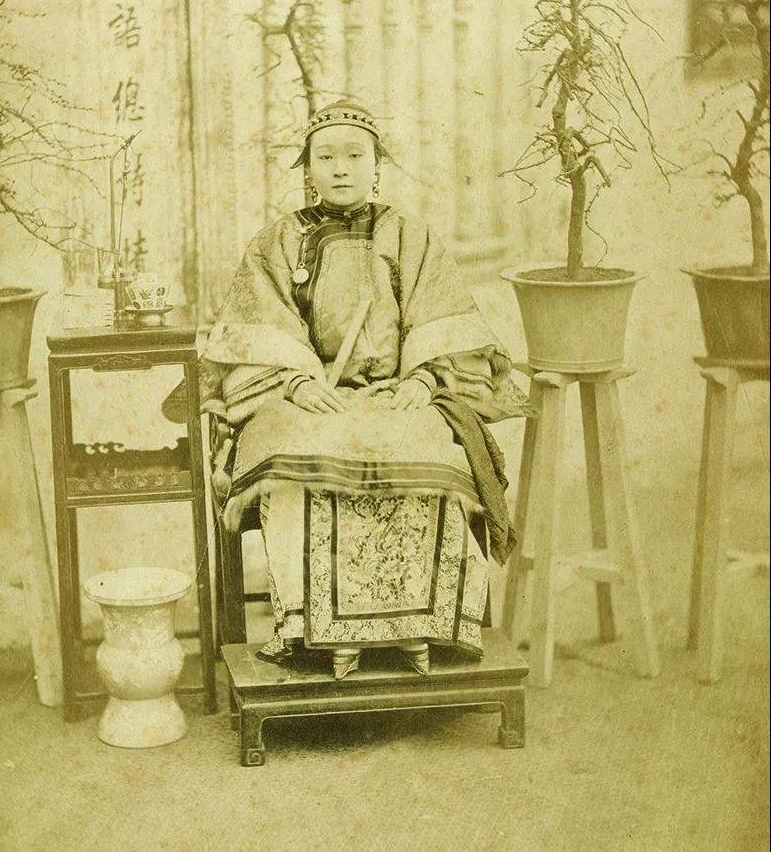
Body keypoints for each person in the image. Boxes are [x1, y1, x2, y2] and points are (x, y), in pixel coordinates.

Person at [164, 100, 531, 680]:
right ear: (307, 168)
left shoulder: (410, 235)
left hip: (394, 393)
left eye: (355, 156)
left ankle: (419, 629)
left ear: (376, 164)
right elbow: (257, 327)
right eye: (326, 157)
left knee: (426, 451)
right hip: (308, 396)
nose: (341, 168)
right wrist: (295, 381)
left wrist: (424, 379)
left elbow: (443, 318)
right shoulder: (277, 242)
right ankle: (319, 632)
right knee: (294, 459)